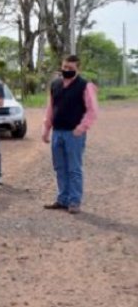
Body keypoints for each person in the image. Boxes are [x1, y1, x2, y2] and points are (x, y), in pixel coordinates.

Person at [42, 55, 98, 214]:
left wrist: (81, 128)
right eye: (65, 67)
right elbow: (50, 108)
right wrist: (46, 129)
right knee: (59, 167)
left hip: (74, 134)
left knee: (74, 169)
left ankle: (74, 201)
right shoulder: (55, 85)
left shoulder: (85, 86)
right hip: (57, 132)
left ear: (77, 69)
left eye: (70, 68)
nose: (66, 70)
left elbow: (92, 111)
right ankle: (62, 199)